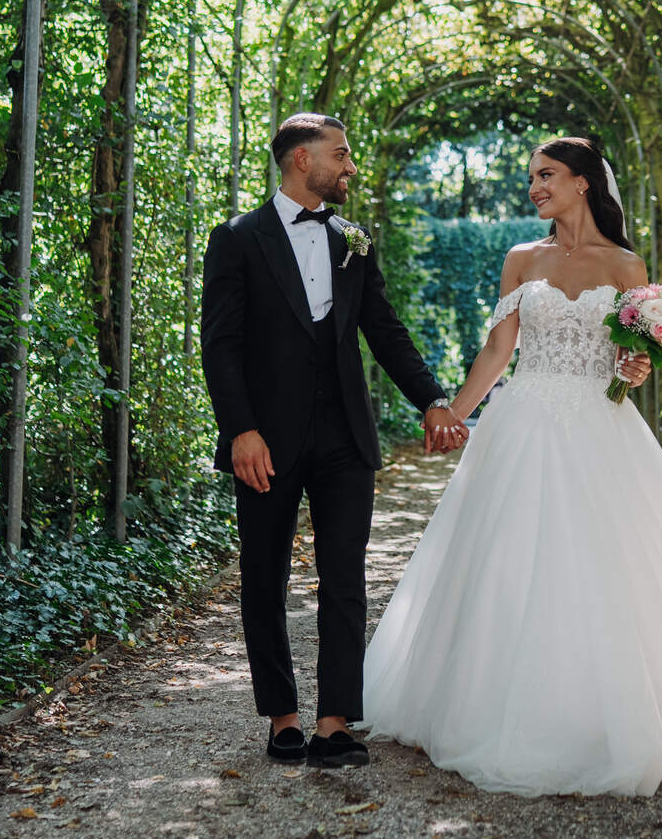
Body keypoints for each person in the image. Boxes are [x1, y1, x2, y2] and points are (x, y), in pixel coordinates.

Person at [363, 136, 662, 796]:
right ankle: (492, 704)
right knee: (506, 557)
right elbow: (499, 348)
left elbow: (631, 358)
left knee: (608, 561)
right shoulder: (520, 258)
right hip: (523, 418)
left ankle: (613, 710)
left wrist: (636, 367)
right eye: (531, 177)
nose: (534, 187)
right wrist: (452, 414)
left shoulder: (626, 265)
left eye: (546, 175)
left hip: (599, 422)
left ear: (583, 182)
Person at [199, 113, 468, 769]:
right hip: (265, 438)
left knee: (345, 575)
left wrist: (433, 398)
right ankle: (283, 718)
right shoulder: (237, 238)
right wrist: (240, 430)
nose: (350, 167)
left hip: (346, 432)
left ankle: (335, 723)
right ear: (302, 159)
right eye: (340, 155)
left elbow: (384, 329)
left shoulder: (355, 239)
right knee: (264, 574)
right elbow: (221, 344)